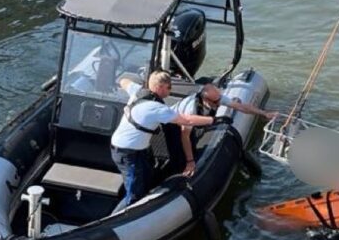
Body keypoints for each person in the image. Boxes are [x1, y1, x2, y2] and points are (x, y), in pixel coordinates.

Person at [110, 70, 215, 210]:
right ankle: (119, 216)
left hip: (133, 149)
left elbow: (123, 81)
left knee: (147, 177)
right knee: (134, 194)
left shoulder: (138, 92)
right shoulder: (157, 108)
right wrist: (213, 120)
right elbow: (187, 120)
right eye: (168, 87)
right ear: (159, 87)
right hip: (127, 153)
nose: (170, 90)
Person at [172, 83, 278, 173]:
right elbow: (185, 136)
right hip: (173, 125)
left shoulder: (216, 99)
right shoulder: (191, 109)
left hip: (190, 124)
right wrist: (190, 161)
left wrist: (264, 113)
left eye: (219, 99)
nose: (219, 103)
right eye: (216, 102)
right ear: (205, 100)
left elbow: (241, 107)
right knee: (180, 154)